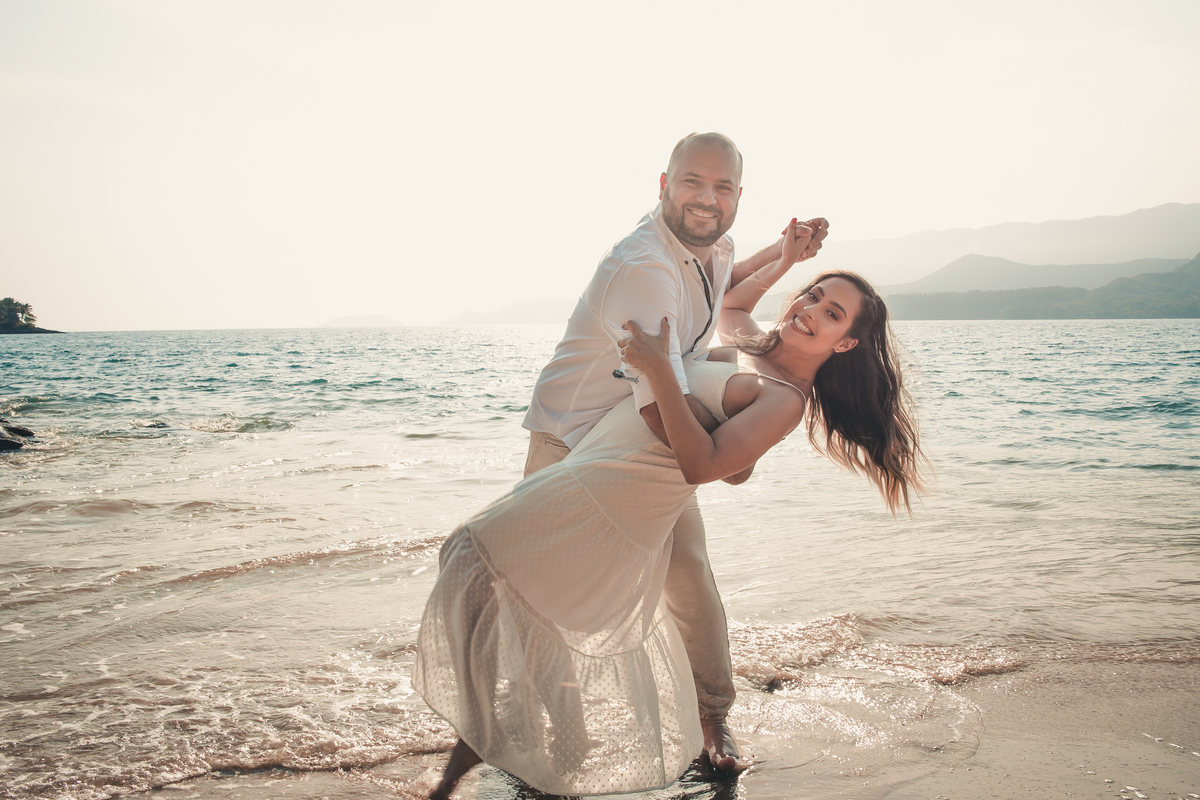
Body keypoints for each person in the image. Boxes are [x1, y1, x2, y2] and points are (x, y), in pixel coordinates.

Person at [412, 225, 926, 797]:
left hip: (614, 499)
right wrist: (783, 258)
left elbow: (707, 466)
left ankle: (479, 766)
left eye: (832, 314)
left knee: (480, 568)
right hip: (588, 469)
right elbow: (729, 301)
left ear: (846, 344)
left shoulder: (784, 398)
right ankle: (484, 759)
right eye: (812, 294)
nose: (810, 310)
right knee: (490, 587)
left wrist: (660, 373)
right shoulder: (748, 339)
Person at [521, 131, 829, 771]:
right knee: (545, 603)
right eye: (692, 183)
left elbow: (723, 281)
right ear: (664, 185)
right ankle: (559, 738)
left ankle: (713, 722)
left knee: (689, 582)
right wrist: (728, 457)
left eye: (721, 187)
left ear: (738, 196)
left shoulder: (708, 243)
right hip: (572, 442)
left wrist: (785, 253)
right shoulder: (644, 269)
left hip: (634, 435)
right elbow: (662, 404)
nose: (706, 199)